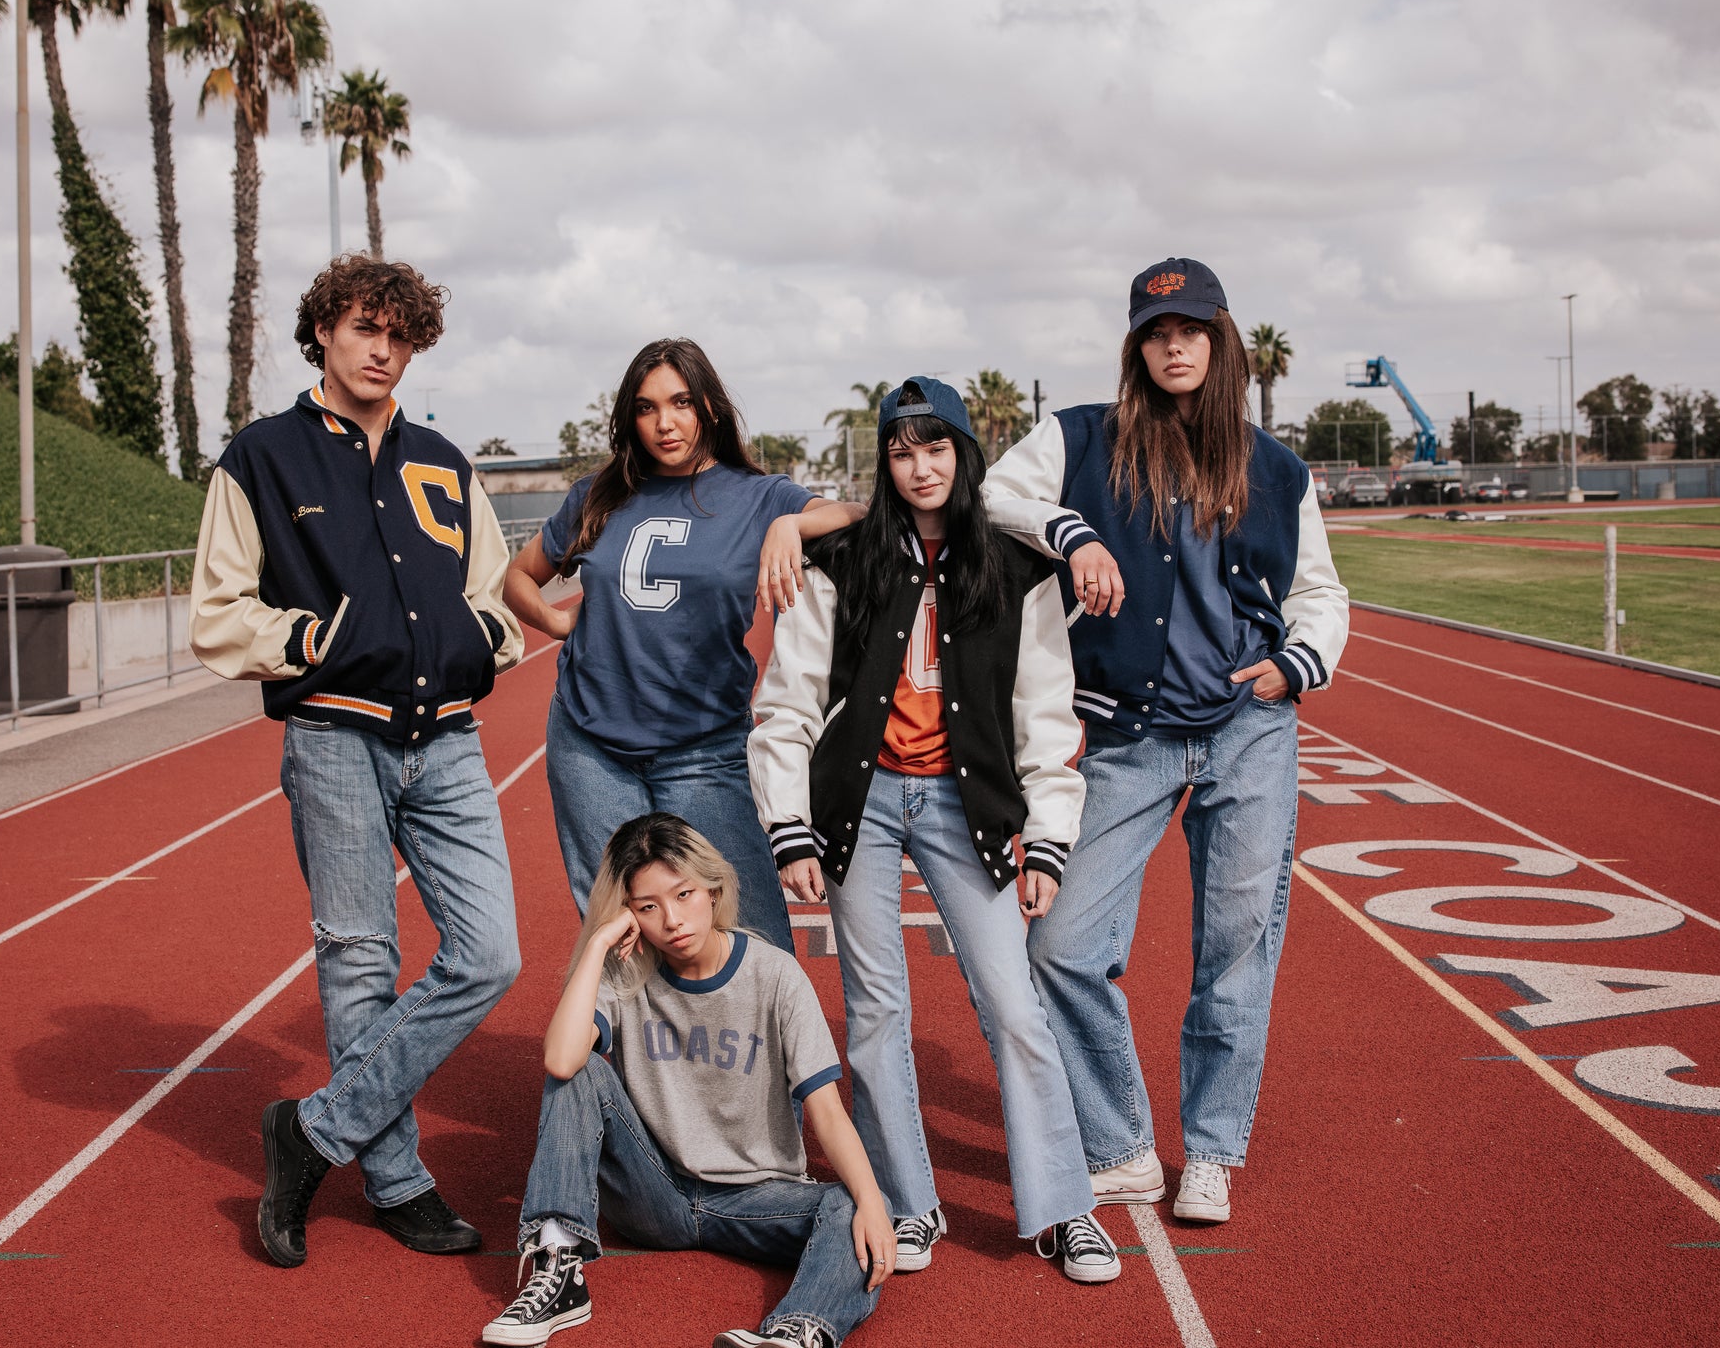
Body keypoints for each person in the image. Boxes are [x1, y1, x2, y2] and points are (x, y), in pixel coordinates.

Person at [981, 257, 1349, 1223]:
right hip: (1128, 736)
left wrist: (1296, 664)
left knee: (1235, 950)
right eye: (1156, 330)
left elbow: (1319, 590)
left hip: (1248, 730)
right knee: (1061, 943)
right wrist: (1074, 534)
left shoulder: (1274, 465)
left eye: (1190, 328)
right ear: (1137, 345)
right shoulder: (1080, 439)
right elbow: (992, 496)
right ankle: (1125, 1147)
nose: (1173, 344)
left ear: (1221, 337)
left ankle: (1215, 1149)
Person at [748, 377, 1122, 1285]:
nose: (920, 468)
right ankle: (911, 1205)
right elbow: (788, 706)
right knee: (876, 1011)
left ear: (964, 454)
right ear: (884, 462)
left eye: (937, 448)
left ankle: (1065, 1209)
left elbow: (1043, 714)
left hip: (970, 807)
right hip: (861, 805)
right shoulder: (841, 559)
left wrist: (1050, 839)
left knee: (1013, 1004)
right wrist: (790, 829)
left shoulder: (1014, 565)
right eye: (902, 452)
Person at [190, 254, 524, 1267]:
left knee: (492, 954)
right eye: (365, 329)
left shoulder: (443, 460)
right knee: (358, 964)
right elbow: (217, 615)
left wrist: (476, 640)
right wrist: (316, 642)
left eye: (401, 334)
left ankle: (313, 1131)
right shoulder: (264, 457)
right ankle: (397, 1181)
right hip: (334, 737)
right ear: (324, 334)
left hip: (450, 739)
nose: (384, 349)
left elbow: (499, 599)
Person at [481, 814, 894, 1348]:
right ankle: (557, 1268)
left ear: (713, 891)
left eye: (683, 895)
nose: (672, 921)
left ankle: (792, 1334)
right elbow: (561, 1058)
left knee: (851, 1205)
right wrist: (598, 943)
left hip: (756, 1197)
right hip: (655, 1194)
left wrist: (874, 1202)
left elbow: (827, 1113)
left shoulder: (775, 975)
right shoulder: (625, 970)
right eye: (646, 907)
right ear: (627, 914)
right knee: (578, 1071)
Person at [503, 338, 862, 953]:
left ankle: (776, 1053)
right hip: (591, 745)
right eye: (646, 408)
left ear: (710, 409)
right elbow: (516, 577)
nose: (664, 422)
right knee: (619, 939)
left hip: (705, 744)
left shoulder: (760, 496)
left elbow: (858, 513)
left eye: (681, 403)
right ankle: (618, 1055)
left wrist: (790, 524)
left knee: (756, 938)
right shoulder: (598, 493)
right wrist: (558, 623)